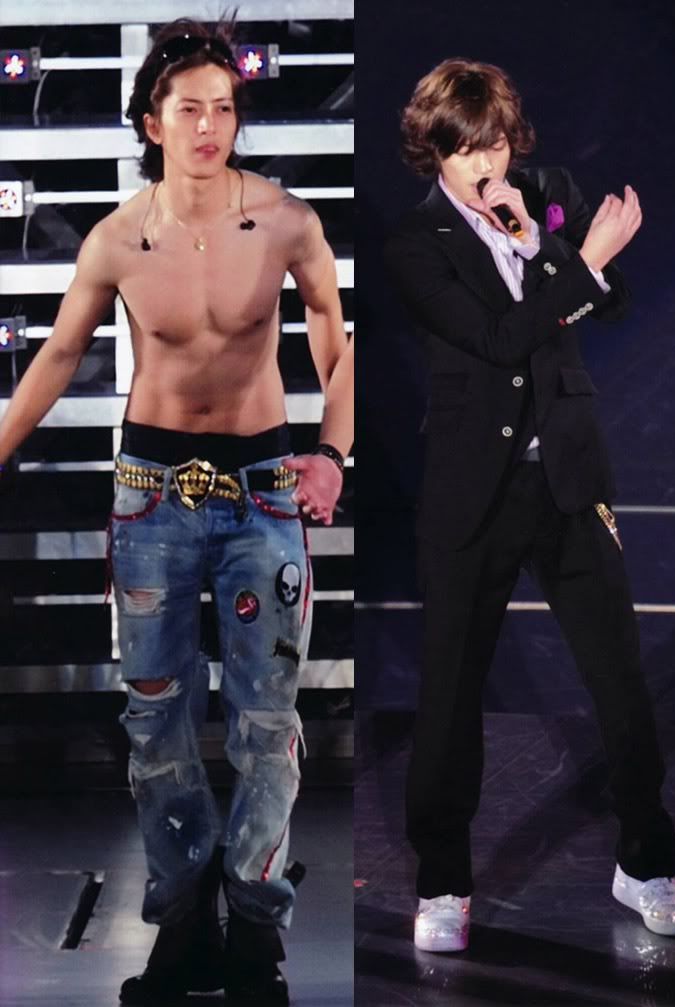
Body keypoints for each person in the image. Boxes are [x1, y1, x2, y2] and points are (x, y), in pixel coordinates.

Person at [0, 17, 352, 1005]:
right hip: (152, 492)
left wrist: (331, 452)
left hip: (262, 488)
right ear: (151, 122)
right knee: (156, 719)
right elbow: (59, 352)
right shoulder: (119, 236)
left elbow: (335, 336)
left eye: (223, 108)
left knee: (267, 717)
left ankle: (256, 919)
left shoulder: (285, 219)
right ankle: (184, 913)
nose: (209, 126)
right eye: (189, 109)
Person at [384, 58, 675, 953]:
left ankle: (645, 861)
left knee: (618, 679)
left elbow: (610, 299)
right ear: (434, 152)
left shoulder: (547, 195)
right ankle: (443, 881)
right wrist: (578, 264)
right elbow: (496, 338)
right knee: (449, 694)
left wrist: (544, 244)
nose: (486, 163)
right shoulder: (416, 243)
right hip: (472, 490)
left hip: (566, 478)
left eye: (495, 143)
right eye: (466, 149)